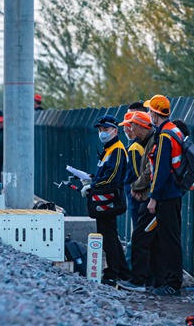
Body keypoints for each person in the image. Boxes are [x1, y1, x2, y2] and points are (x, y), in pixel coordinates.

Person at [143, 94, 185, 296]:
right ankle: (169, 280)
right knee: (170, 237)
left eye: (150, 111)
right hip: (173, 193)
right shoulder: (173, 130)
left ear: (155, 114)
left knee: (169, 239)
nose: (149, 114)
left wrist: (153, 197)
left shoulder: (165, 136)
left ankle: (173, 283)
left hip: (166, 195)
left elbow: (161, 169)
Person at [82, 114, 130, 286]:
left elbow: (113, 178)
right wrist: (92, 179)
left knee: (108, 236)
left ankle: (112, 273)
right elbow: (105, 174)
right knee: (110, 235)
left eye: (106, 129)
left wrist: (93, 186)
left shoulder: (117, 149)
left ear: (115, 130)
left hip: (109, 198)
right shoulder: (108, 150)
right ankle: (123, 271)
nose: (102, 132)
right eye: (100, 130)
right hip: (104, 197)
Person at [119, 110, 159, 293]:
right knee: (147, 237)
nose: (130, 128)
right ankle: (149, 278)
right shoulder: (146, 142)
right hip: (146, 197)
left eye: (133, 125)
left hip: (145, 198)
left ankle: (139, 279)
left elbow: (144, 172)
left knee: (140, 237)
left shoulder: (138, 146)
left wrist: (135, 187)